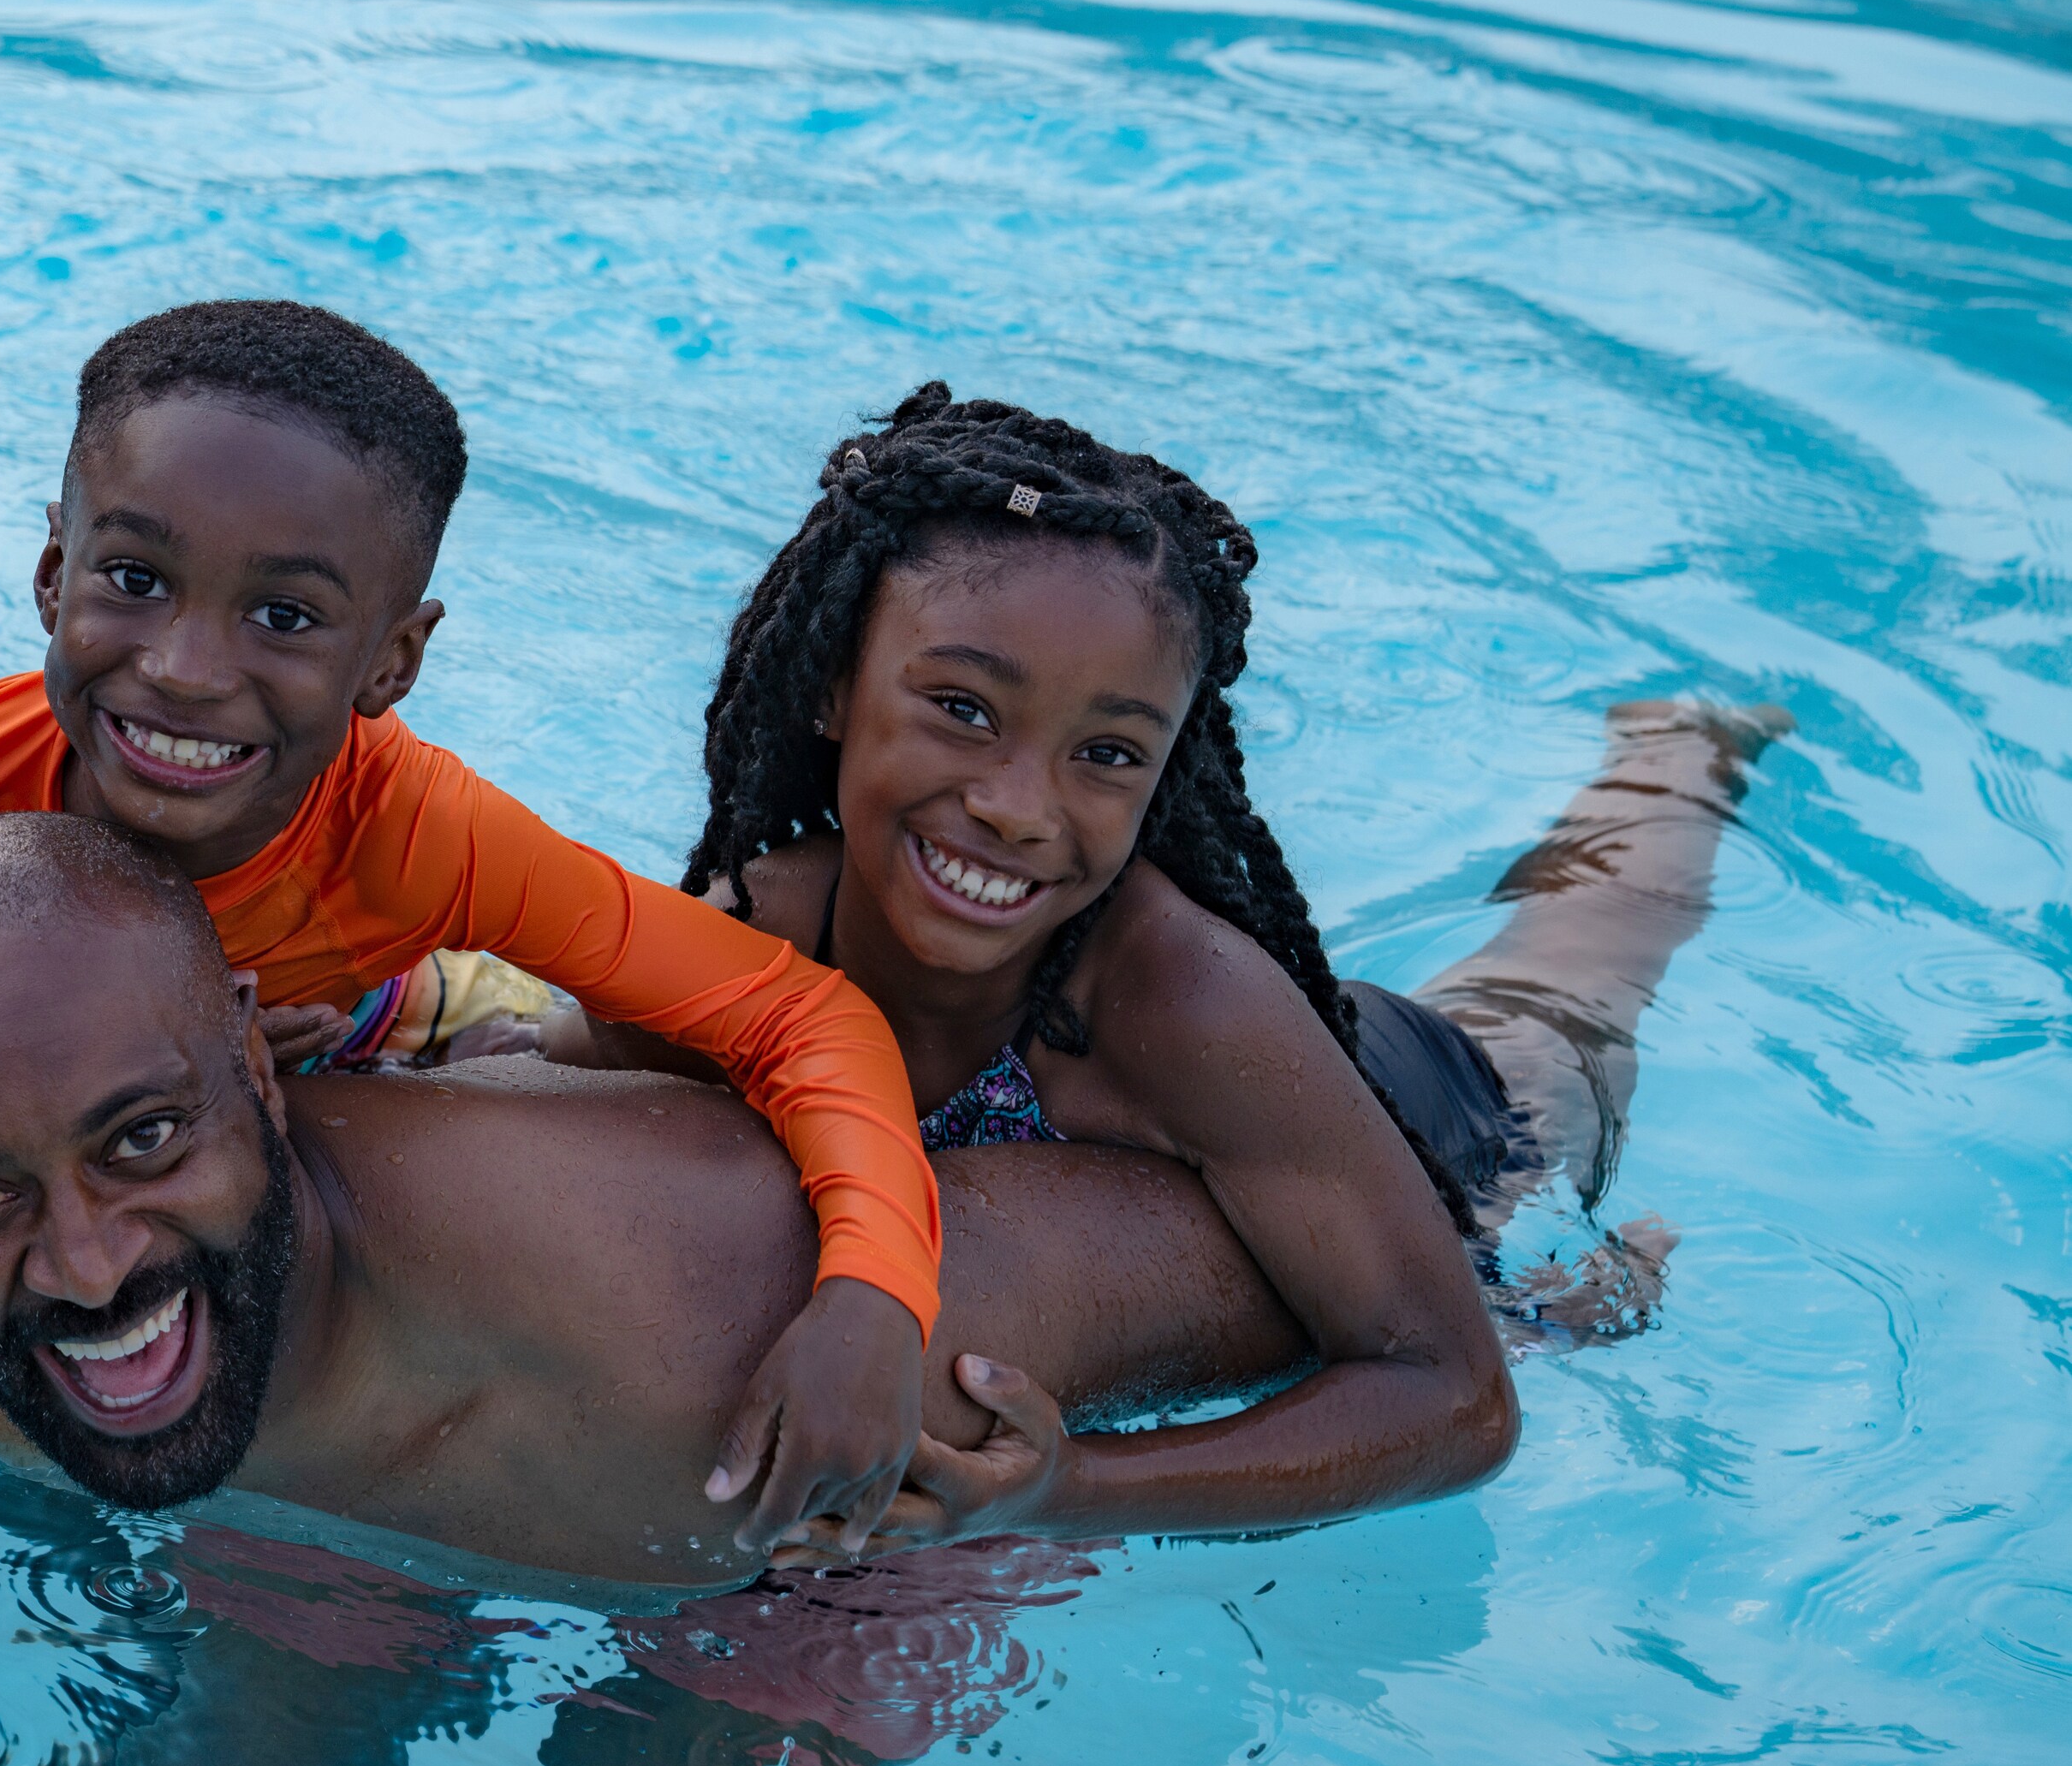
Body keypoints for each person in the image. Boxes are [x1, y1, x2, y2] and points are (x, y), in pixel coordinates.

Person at [0, 300, 942, 1555]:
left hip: (377, 1018)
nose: (182, 668)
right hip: (244, 1059)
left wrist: (875, 1290)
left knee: (569, 1048)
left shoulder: (417, 834)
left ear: (391, 661)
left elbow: (795, 1008)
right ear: (53, 571)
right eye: (132, 577)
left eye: (282, 616)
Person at [543, 387, 1785, 1566]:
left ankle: (1682, 759)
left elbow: (1459, 1402)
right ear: (831, 686)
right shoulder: (753, 932)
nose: (1018, 808)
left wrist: (1066, 1488)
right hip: (1268, 1098)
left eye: (1104, 751)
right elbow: (566, 1062)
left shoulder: (1174, 998)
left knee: (1569, 983)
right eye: (963, 707)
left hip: (1435, 1111)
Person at [0, 812, 1510, 1594]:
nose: (78, 1261)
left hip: (1380, 1114)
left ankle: (1664, 788)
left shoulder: (713, 1332)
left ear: (257, 1061)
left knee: (1561, 1002)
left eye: (145, 1141)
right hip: (717, 1056)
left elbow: (1379, 1338)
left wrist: (1072, 1490)